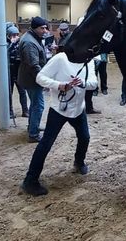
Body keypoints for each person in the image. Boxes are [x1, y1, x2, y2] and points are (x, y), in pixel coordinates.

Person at [21, 51, 98, 196]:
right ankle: (30, 181)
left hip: (78, 109)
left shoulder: (90, 61)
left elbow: (94, 83)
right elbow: (40, 77)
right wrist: (59, 85)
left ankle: (79, 162)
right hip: (59, 109)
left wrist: (83, 83)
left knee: (85, 137)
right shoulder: (60, 58)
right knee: (46, 144)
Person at [18, 16, 50, 142]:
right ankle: (33, 134)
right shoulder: (29, 43)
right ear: (34, 28)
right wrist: (45, 81)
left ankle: (32, 126)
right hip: (32, 79)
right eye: (42, 28)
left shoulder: (32, 38)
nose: (45, 30)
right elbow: (33, 65)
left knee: (34, 104)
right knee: (38, 105)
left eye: (46, 28)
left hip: (30, 78)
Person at [7, 25, 29, 119]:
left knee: (22, 92)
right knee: (9, 92)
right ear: (8, 35)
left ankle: (25, 110)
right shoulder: (5, 43)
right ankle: (10, 111)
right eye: (13, 35)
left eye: (16, 34)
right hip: (9, 71)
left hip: (18, 70)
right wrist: (11, 44)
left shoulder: (20, 42)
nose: (15, 36)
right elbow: (5, 54)